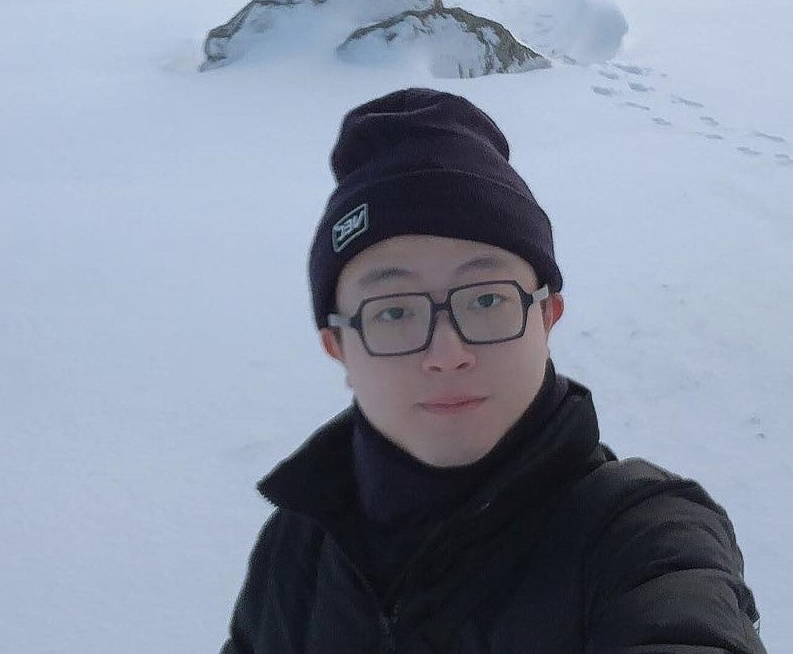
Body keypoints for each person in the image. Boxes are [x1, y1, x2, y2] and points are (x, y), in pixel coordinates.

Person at [220, 87, 765, 654]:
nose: (447, 352)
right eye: (395, 311)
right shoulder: (298, 548)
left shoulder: (639, 534)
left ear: (547, 315)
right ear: (338, 347)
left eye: (485, 300)